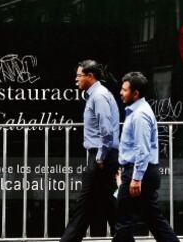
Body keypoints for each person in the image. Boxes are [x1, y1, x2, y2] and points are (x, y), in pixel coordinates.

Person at [112, 72, 178, 242]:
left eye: (124, 89)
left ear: (135, 93)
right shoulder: (138, 111)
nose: (120, 92)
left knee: (124, 219)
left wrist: (135, 178)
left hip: (139, 171)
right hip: (141, 171)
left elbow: (142, 149)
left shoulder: (140, 115)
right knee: (153, 220)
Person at [61, 60, 119, 242]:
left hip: (102, 155)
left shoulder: (99, 96)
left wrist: (100, 157)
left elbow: (107, 131)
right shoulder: (97, 95)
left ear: (90, 76)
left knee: (84, 203)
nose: (76, 79)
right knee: (107, 203)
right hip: (104, 154)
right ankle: (124, 236)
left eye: (79, 75)